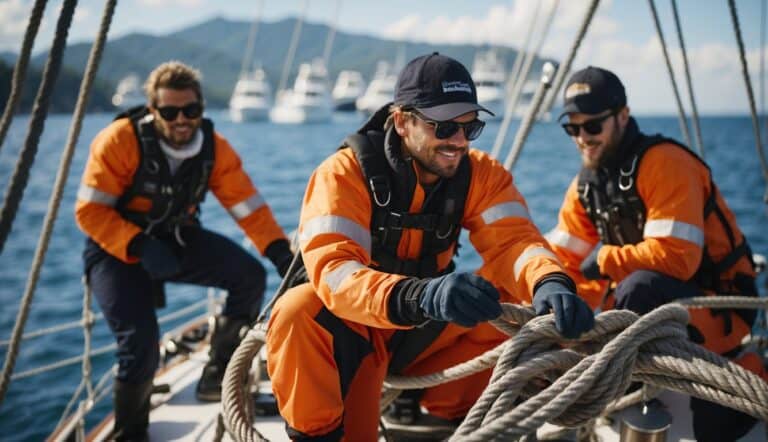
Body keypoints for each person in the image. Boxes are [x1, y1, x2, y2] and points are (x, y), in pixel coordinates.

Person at [265, 52, 595, 441]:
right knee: (297, 310)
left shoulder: (480, 175)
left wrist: (551, 282)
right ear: (403, 122)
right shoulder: (342, 175)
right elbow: (336, 276)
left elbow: (514, 241)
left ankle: (449, 406)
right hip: (355, 335)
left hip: (422, 332)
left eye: (470, 127)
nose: (458, 141)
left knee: (513, 300)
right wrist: (420, 296)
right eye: (443, 127)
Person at [75, 61, 293, 441]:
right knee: (140, 345)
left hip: (175, 238)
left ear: (201, 108)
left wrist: (281, 255)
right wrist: (139, 244)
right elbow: (90, 211)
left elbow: (249, 209)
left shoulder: (214, 149)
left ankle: (217, 376)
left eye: (190, 111)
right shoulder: (118, 141)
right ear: (152, 110)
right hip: (113, 248)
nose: (181, 120)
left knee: (249, 277)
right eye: (170, 111)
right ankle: (131, 433)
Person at [547, 65, 764, 441]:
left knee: (638, 286)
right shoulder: (586, 187)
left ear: (623, 116)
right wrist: (555, 307)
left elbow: (678, 257)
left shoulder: (666, 163)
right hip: (655, 307)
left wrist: (603, 259)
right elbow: (562, 261)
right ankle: (619, 387)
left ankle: (633, 390)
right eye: (573, 128)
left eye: (593, 126)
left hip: (719, 307)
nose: (583, 138)